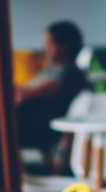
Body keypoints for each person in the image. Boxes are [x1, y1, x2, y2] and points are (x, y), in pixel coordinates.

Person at [16, 21, 87, 154]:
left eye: (49, 43)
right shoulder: (51, 70)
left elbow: (25, 95)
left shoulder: (69, 72)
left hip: (37, 129)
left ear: (65, 46)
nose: (44, 48)